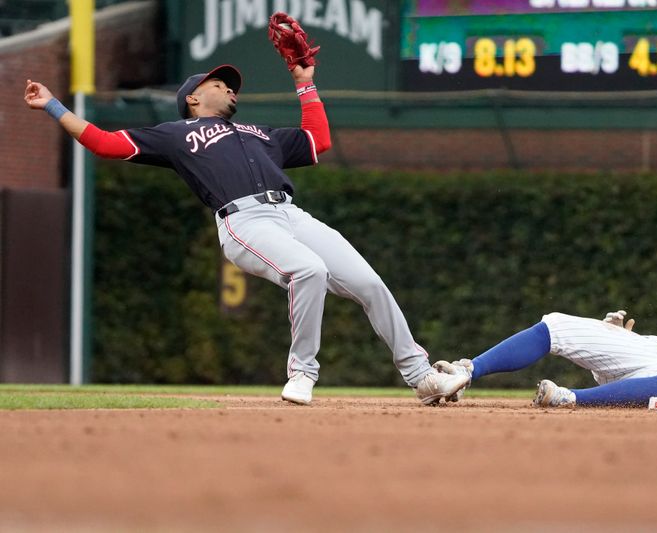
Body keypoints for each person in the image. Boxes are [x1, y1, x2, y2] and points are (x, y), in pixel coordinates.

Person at [25, 60, 468, 406]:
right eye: (217, 83)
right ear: (193, 99)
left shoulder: (259, 133)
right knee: (308, 271)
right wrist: (52, 105)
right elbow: (103, 142)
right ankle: (302, 373)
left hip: (291, 215)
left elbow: (319, 141)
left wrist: (304, 81)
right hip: (243, 223)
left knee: (370, 283)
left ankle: (421, 376)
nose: (228, 87)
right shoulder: (177, 134)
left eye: (229, 83)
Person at [433, 306, 657, 407]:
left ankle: (568, 398)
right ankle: (467, 371)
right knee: (557, 325)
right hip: (652, 354)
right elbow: (645, 355)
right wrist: (619, 338)